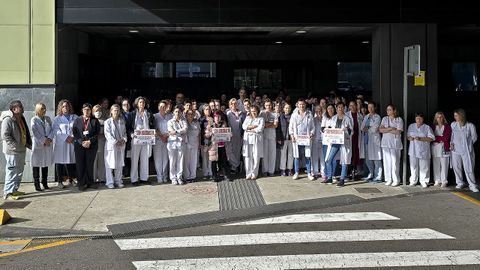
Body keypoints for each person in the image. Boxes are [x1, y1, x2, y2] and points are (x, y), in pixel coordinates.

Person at [1, 100, 32, 200]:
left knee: (19, 171)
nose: (22, 108)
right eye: (20, 106)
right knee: (12, 171)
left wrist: (27, 144)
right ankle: (8, 192)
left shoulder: (21, 118)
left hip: (21, 149)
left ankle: (14, 190)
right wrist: (14, 146)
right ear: (14, 109)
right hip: (12, 151)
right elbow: (5, 135)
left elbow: (25, 131)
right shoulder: (8, 120)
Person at [323, 102, 353, 187]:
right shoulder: (334, 118)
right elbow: (330, 128)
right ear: (336, 109)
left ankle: (342, 179)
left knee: (344, 160)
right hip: (335, 141)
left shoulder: (348, 118)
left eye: (341, 107)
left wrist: (346, 130)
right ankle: (329, 177)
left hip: (344, 141)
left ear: (344, 108)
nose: (340, 109)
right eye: (338, 107)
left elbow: (351, 131)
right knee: (329, 159)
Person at [126, 96, 154, 186]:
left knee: (145, 159)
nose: (142, 104)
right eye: (140, 102)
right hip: (136, 139)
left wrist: (153, 132)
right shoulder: (132, 114)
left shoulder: (148, 113)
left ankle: (144, 178)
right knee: (135, 159)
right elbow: (128, 127)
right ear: (137, 104)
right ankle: (134, 179)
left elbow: (152, 125)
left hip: (146, 138)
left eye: (143, 102)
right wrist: (131, 134)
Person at [72, 103, 100, 191]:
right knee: (80, 164)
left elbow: (97, 133)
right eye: (85, 109)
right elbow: (75, 133)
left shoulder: (95, 121)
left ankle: (89, 182)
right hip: (79, 146)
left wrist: (89, 141)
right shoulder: (77, 120)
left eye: (88, 110)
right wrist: (81, 142)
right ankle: (81, 183)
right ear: (82, 110)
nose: (86, 111)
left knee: (89, 164)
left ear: (91, 111)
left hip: (91, 146)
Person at [450, 109, 478, 192]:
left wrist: (467, 145)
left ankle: (472, 185)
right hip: (455, 150)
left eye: (457, 115)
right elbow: (452, 136)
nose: (455, 117)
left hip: (466, 151)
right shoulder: (453, 124)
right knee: (456, 167)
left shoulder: (470, 125)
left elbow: (474, 137)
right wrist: (451, 143)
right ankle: (460, 183)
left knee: (469, 167)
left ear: (462, 115)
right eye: (454, 115)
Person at [52, 99, 78, 188]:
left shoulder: (75, 117)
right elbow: (56, 130)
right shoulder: (57, 119)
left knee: (70, 161)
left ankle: (71, 179)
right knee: (59, 161)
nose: (65, 107)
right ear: (60, 108)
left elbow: (78, 128)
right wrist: (66, 137)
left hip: (72, 142)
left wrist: (72, 137)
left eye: (67, 106)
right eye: (63, 106)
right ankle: (60, 181)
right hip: (61, 143)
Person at [289, 99, 315, 181]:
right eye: (300, 104)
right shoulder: (294, 115)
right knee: (296, 156)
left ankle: (309, 173)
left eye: (303, 104)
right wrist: (292, 135)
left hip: (306, 138)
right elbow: (291, 127)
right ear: (297, 105)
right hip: (297, 138)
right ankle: (296, 172)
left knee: (307, 156)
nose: (302, 106)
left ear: (305, 105)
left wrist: (311, 134)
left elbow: (313, 127)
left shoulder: (309, 114)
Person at [407, 113, 435, 188]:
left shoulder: (427, 127)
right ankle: (413, 181)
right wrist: (410, 138)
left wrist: (421, 139)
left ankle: (424, 181)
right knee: (413, 166)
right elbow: (408, 136)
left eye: (420, 118)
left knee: (424, 166)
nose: (418, 120)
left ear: (423, 119)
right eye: (417, 118)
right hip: (413, 150)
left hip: (424, 149)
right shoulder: (411, 126)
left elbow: (431, 138)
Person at [30, 103, 53, 191]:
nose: (44, 110)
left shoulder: (48, 118)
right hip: (38, 145)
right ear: (37, 110)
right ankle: (37, 184)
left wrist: (49, 138)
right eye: (42, 109)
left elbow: (52, 130)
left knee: (45, 163)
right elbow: (35, 132)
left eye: (45, 108)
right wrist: (44, 140)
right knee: (36, 164)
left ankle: (44, 182)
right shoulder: (34, 119)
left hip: (47, 144)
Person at [379, 104, 404, 186]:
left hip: (395, 144)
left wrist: (386, 129)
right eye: (387, 109)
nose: (388, 111)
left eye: (389, 109)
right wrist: (390, 128)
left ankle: (396, 180)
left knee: (395, 162)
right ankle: (388, 179)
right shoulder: (384, 119)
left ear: (394, 111)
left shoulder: (399, 119)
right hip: (385, 143)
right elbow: (380, 130)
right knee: (387, 162)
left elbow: (398, 131)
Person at [104, 104, 127, 188]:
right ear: (111, 111)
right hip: (111, 146)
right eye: (115, 110)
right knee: (109, 164)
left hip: (120, 145)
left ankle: (118, 180)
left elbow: (124, 133)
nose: (116, 112)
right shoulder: (108, 122)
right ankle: (110, 182)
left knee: (119, 164)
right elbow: (107, 134)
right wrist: (115, 142)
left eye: (118, 110)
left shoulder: (122, 121)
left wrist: (124, 139)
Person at [360, 101, 383, 182]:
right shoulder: (366, 116)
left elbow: (375, 128)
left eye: (372, 107)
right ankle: (371, 174)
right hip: (366, 140)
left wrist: (368, 128)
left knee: (377, 159)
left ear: (375, 108)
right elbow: (362, 127)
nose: (370, 109)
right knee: (368, 160)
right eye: (369, 107)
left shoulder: (378, 117)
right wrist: (368, 128)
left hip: (374, 141)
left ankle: (378, 177)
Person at [242, 105, 265, 180]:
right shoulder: (247, 118)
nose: (253, 112)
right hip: (248, 139)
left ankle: (254, 173)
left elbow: (260, 128)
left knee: (256, 156)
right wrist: (252, 126)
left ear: (257, 111)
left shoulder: (261, 119)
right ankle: (248, 173)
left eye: (254, 111)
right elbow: (244, 126)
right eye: (252, 111)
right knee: (248, 156)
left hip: (256, 139)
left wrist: (249, 129)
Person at [208, 111, 231, 182]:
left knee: (224, 161)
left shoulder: (224, 124)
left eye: (218, 117)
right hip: (214, 146)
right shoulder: (210, 126)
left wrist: (229, 134)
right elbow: (206, 135)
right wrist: (211, 133)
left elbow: (228, 134)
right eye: (215, 117)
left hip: (222, 146)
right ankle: (214, 176)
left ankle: (226, 175)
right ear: (213, 118)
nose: (217, 118)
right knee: (213, 162)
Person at [167, 105, 188, 185]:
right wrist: (178, 132)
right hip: (172, 143)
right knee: (172, 161)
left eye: (179, 112)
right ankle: (173, 178)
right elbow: (170, 131)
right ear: (173, 113)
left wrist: (176, 132)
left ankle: (179, 177)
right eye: (176, 111)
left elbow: (185, 130)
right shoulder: (170, 122)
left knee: (180, 160)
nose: (177, 113)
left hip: (181, 143)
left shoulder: (184, 121)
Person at [431, 112, 452, 187]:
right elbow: (431, 138)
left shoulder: (447, 126)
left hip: (444, 148)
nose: (439, 118)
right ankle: (437, 180)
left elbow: (446, 138)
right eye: (438, 117)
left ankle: (444, 181)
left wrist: (437, 138)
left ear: (443, 118)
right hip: (435, 148)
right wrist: (440, 138)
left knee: (444, 165)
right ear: (435, 118)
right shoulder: (433, 127)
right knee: (436, 165)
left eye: (441, 117)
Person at [153, 100, 172, 183]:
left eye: (164, 106)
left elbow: (172, 127)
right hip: (158, 140)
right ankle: (159, 177)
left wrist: (167, 135)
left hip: (167, 139)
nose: (162, 108)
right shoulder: (154, 116)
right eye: (160, 106)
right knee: (158, 159)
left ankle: (165, 176)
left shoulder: (170, 116)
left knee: (166, 159)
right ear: (158, 107)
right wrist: (161, 136)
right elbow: (154, 128)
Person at [227, 98, 246, 174]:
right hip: (230, 135)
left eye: (235, 103)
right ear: (230, 105)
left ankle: (235, 168)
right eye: (232, 104)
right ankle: (237, 164)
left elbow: (244, 124)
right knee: (230, 151)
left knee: (237, 151)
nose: (233, 105)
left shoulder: (241, 113)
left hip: (239, 135)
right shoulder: (228, 113)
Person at [260, 99, 278, 176]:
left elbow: (275, 125)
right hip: (264, 136)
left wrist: (266, 124)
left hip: (272, 135)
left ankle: (271, 171)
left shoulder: (275, 114)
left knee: (272, 153)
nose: (268, 106)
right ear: (264, 105)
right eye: (267, 105)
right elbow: (261, 125)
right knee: (264, 153)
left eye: (270, 105)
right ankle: (265, 170)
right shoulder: (261, 113)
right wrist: (270, 124)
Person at [347, 101, 364, 179]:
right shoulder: (346, 115)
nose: (353, 107)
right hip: (349, 138)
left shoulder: (360, 115)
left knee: (356, 154)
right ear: (349, 107)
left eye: (354, 105)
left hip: (357, 138)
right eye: (351, 105)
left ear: (356, 106)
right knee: (349, 154)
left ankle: (354, 171)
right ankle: (349, 171)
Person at [321, 104, 337, 182]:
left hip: (334, 141)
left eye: (331, 108)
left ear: (334, 109)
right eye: (328, 108)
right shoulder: (325, 117)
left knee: (333, 159)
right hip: (326, 141)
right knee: (326, 159)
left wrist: (330, 129)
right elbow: (322, 128)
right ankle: (327, 176)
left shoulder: (337, 117)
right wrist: (327, 129)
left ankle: (332, 175)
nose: (330, 110)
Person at [184, 109, 200, 182]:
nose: (190, 115)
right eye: (189, 114)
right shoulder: (184, 122)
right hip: (186, 144)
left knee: (194, 160)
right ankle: (187, 176)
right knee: (187, 161)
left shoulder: (196, 123)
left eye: (191, 114)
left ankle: (193, 176)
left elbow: (199, 134)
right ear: (186, 115)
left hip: (195, 143)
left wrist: (199, 143)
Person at [92, 105, 106, 183]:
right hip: (93, 144)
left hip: (102, 143)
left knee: (101, 161)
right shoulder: (91, 121)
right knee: (93, 161)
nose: (98, 112)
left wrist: (103, 135)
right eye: (96, 111)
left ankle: (102, 178)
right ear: (93, 112)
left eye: (99, 111)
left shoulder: (105, 121)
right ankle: (93, 178)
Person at [279, 103, 294, 177]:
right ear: (283, 109)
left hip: (291, 138)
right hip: (283, 138)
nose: (287, 109)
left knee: (291, 154)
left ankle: (290, 169)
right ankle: (283, 170)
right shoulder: (280, 116)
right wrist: (278, 138)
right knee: (283, 155)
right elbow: (278, 128)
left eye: (288, 108)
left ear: (291, 109)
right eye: (286, 108)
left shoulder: (293, 116)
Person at [199, 105, 214, 180]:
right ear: (203, 111)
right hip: (203, 141)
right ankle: (205, 173)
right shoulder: (201, 119)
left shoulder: (213, 118)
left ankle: (210, 172)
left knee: (211, 157)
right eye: (206, 109)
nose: (208, 111)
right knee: (204, 158)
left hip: (212, 141)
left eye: (209, 109)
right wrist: (204, 135)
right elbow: (199, 130)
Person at [311, 105, 325, 180]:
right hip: (315, 140)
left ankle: (323, 172)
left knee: (323, 157)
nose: (318, 112)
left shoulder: (325, 119)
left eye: (320, 110)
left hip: (323, 141)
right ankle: (315, 172)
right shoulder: (313, 119)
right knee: (315, 157)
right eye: (317, 111)